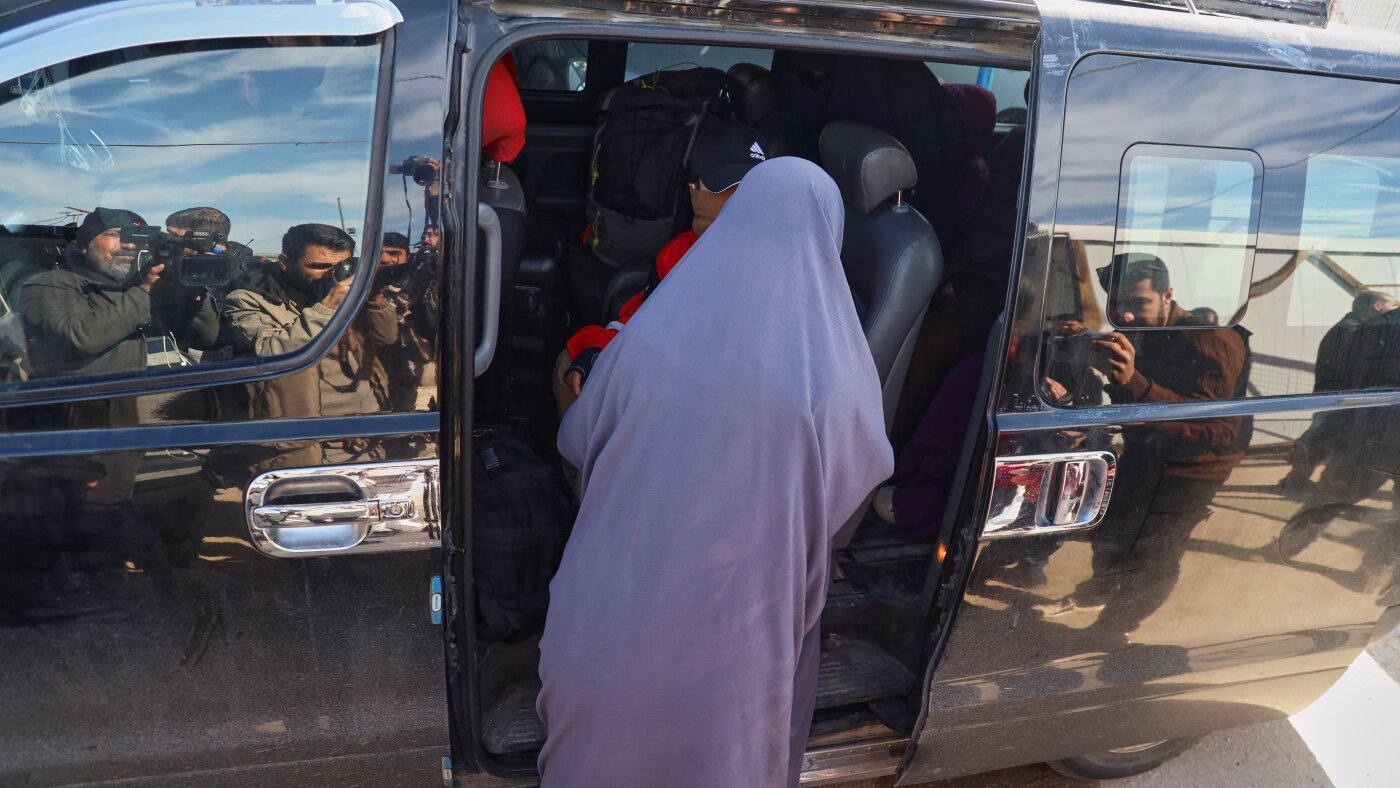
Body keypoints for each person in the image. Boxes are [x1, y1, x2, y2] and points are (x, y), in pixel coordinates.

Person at [536, 157, 893, 787]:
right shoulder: (835, 379)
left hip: (594, 643)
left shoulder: (649, 336)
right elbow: (848, 491)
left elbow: (578, 439)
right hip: (734, 665)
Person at [1036, 253, 1250, 630]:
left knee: (1155, 555)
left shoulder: (1208, 338)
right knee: (1110, 535)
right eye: (1116, 304)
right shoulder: (1138, 331)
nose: (1126, 315)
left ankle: (1113, 632)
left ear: (1168, 294)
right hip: (1144, 453)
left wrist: (1132, 381)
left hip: (1191, 470)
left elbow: (1218, 431)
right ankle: (1098, 593)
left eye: (1138, 302)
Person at [551, 124, 768, 414]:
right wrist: (595, 350)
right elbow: (638, 325)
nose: (742, 197)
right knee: (568, 365)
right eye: (728, 188)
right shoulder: (678, 254)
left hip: (741, 397)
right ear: (693, 189)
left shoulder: (793, 259)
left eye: (755, 187)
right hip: (670, 377)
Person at [222, 224, 396, 468]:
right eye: (320, 266)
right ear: (285, 262)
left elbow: (386, 339)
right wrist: (327, 307)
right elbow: (272, 353)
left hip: (360, 432)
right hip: (298, 439)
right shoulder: (247, 298)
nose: (332, 275)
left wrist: (375, 299)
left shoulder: (349, 292)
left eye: (341, 267)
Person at [1283, 289, 1398, 493]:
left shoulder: (1348, 328)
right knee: (1322, 441)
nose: (1393, 313)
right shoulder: (1352, 332)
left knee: (1322, 439)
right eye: (1393, 307)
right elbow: (1355, 371)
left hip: (1339, 401)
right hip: (1341, 402)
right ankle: (1304, 486)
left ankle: (1298, 482)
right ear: (1377, 306)